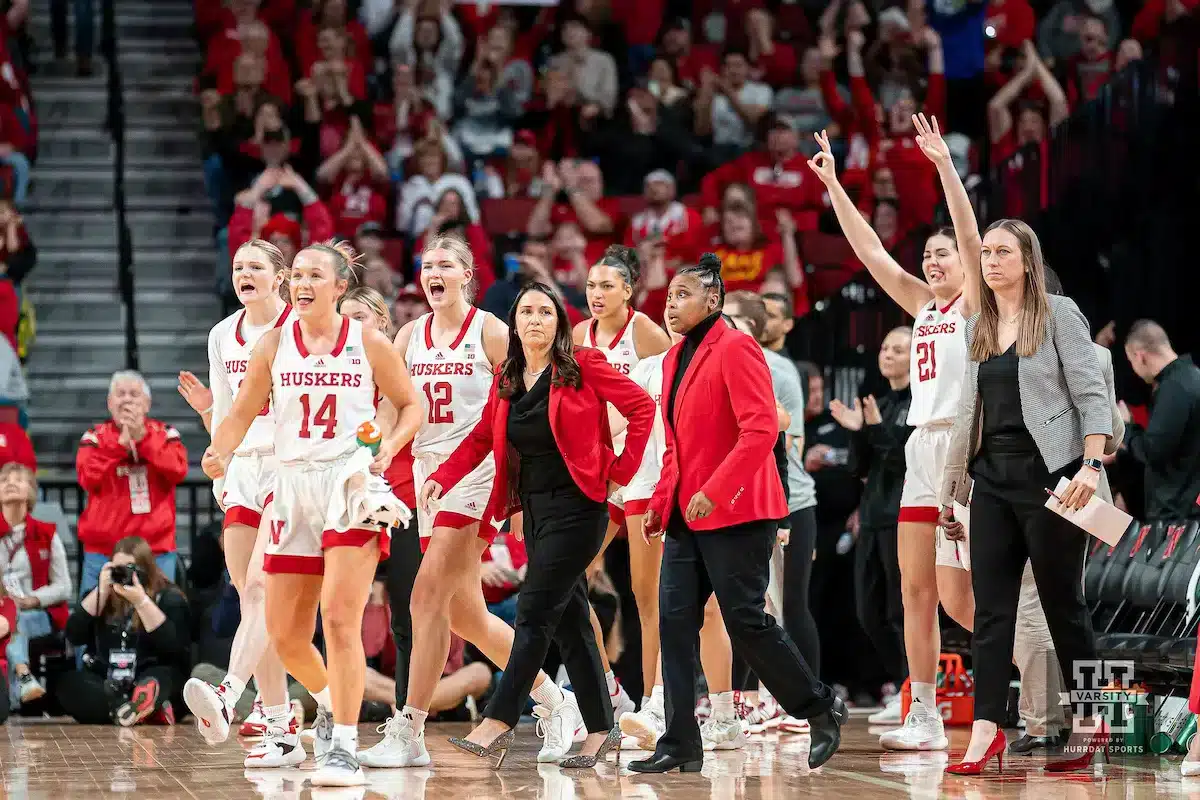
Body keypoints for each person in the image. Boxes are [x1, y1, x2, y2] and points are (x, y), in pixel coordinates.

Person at [360, 236, 585, 770]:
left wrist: (527, 480)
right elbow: (392, 408)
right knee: (467, 616)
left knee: (424, 598)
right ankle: (556, 701)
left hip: (478, 475)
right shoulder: (410, 334)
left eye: (444, 265)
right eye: (426, 265)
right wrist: (377, 454)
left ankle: (408, 728)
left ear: (466, 275)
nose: (432, 272)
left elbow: (525, 404)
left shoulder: (489, 331)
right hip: (427, 478)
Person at [203, 240, 423, 787]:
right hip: (290, 486)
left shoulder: (368, 341)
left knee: (341, 618)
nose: (301, 283)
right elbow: (239, 412)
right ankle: (329, 705)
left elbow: (413, 403)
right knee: (284, 634)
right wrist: (219, 450)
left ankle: (344, 747)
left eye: (313, 275)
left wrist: (391, 445)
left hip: (347, 483)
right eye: (296, 274)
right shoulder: (274, 344)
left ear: (339, 286)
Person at [422, 281, 655, 768]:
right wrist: (443, 478)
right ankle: (600, 730)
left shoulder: (583, 366)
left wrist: (621, 471)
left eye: (545, 313)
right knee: (572, 626)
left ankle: (498, 721)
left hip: (580, 508)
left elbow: (641, 407)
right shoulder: (507, 375)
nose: (535, 320)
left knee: (532, 611)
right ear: (514, 323)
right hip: (535, 509)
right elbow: (482, 436)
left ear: (559, 324)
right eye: (526, 312)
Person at [630, 254, 846, 774]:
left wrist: (716, 489)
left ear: (713, 300)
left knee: (746, 620)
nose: (670, 304)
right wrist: (662, 503)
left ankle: (819, 711)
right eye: (668, 295)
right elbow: (676, 448)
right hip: (687, 515)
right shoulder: (672, 358)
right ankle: (680, 741)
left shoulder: (738, 346)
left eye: (683, 295)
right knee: (675, 624)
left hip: (740, 512)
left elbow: (760, 431)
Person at [805, 126, 974, 749]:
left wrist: (945, 169)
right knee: (913, 589)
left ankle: (1028, 680)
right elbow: (872, 252)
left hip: (964, 449)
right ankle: (923, 712)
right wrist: (831, 187)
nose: (932, 264)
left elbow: (969, 233)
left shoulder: (974, 304)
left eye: (943, 255)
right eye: (928, 255)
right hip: (919, 449)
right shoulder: (922, 308)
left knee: (962, 598)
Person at [938, 218, 1113, 774]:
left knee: (1065, 603)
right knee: (991, 611)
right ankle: (987, 729)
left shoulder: (1059, 314)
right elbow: (969, 413)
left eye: (1002, 252)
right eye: (984, 252)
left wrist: (1090, 464)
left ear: (1028, 261)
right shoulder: (979, 325)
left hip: (1054, 475)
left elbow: (1091, 392)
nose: (989, 261)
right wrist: (952, 490)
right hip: (991, 478)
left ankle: (1092, 720)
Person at [175, 239, 298, 766]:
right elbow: (227, 410)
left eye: (255, 267)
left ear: (280, 277)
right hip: (243, 466)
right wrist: (217, 460)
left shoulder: (298, 327)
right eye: (237, 267)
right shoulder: (222, 334)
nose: (243, 273)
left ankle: (226, 694)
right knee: (254, 605)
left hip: (291, 465)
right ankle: (280, 724)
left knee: (259, 586)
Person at [573, 244, 671, 719]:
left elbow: (677, 394)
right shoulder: (578, 335)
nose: (596, 293)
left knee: (643, 590)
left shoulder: (646, 332)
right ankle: (610, 688)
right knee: (572, 579)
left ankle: (656, 699)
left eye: (607, 285)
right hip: (599, 473)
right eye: (591, 285)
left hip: (642, 470)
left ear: (628, 291)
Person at [722, 291, 821, 735]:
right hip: (746, 497)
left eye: (734, 319)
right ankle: (748, 700)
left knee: (782, 606)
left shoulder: (773, 367)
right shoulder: (726, 361)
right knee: (754, 605)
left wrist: (780, 513)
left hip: (786, 498)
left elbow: (782, 438)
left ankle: (796, 699)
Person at [830, 328, 913, 703]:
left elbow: (904, 461)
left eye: (899, 349)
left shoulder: (919, 405)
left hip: (904, 517)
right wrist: (859, 432)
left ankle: (913, 690)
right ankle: (901, 684)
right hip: (873, 516)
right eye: (885, 347)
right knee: (868, 613)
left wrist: (875, 428)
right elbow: (858, 467)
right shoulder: (877, 402)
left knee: (900, 611)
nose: (889, 354)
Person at [76, 371, 189, 595]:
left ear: (147, 404)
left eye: (134, 394)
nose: (127, 399)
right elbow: (87, 477)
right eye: (120, 394)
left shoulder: (165, 434)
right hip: (102, 553)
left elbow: (178, 471)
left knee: (159, 618)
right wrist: (119, 447)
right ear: (110, 403)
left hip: (156, 551)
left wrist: (142, 440)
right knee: (92, 622)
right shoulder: (94, 437)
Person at [59, 536, 191, 726]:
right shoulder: (100, 597)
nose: (123, 574)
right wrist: (101, 591)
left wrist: (141, 601)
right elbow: (73, 634)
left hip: (148, 676)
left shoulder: (169, 597)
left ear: (145, 570)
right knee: (68, 683)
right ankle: (132, 710)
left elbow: (174, 647)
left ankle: (137, 705)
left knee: (165, 679)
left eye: (130, 568)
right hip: (110, 683)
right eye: (116, 568)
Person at [0, 464, 71, 707]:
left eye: (19, 480)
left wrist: (33, 599)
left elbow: (63, 586)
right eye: (4, 479)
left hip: (37, 613)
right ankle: (22, 680)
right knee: (9, 618)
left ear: (31, 491)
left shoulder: (46, 533)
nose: (10, 483)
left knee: (14, 620)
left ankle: (17, 686)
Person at [1120, 320, 1200, 521]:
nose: (1134, 369)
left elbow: (1153, 451)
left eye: (1131, 362)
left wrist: (1126, 427)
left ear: (1140, 356)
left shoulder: (1174, 388)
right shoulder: (1192, 377)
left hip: (1176, 515)